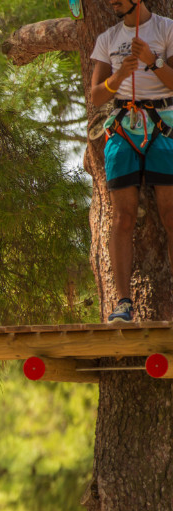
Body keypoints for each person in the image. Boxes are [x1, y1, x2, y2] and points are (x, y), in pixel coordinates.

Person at [91, 0, 173, 322]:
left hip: (163, 124)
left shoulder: (166, 29)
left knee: (170, 215)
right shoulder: (107, 39)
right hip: (123, 126)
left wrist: (152, 62)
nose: (113, 0)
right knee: (122, 218)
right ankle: (123, 303)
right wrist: (119, 76)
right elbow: (96, 95)